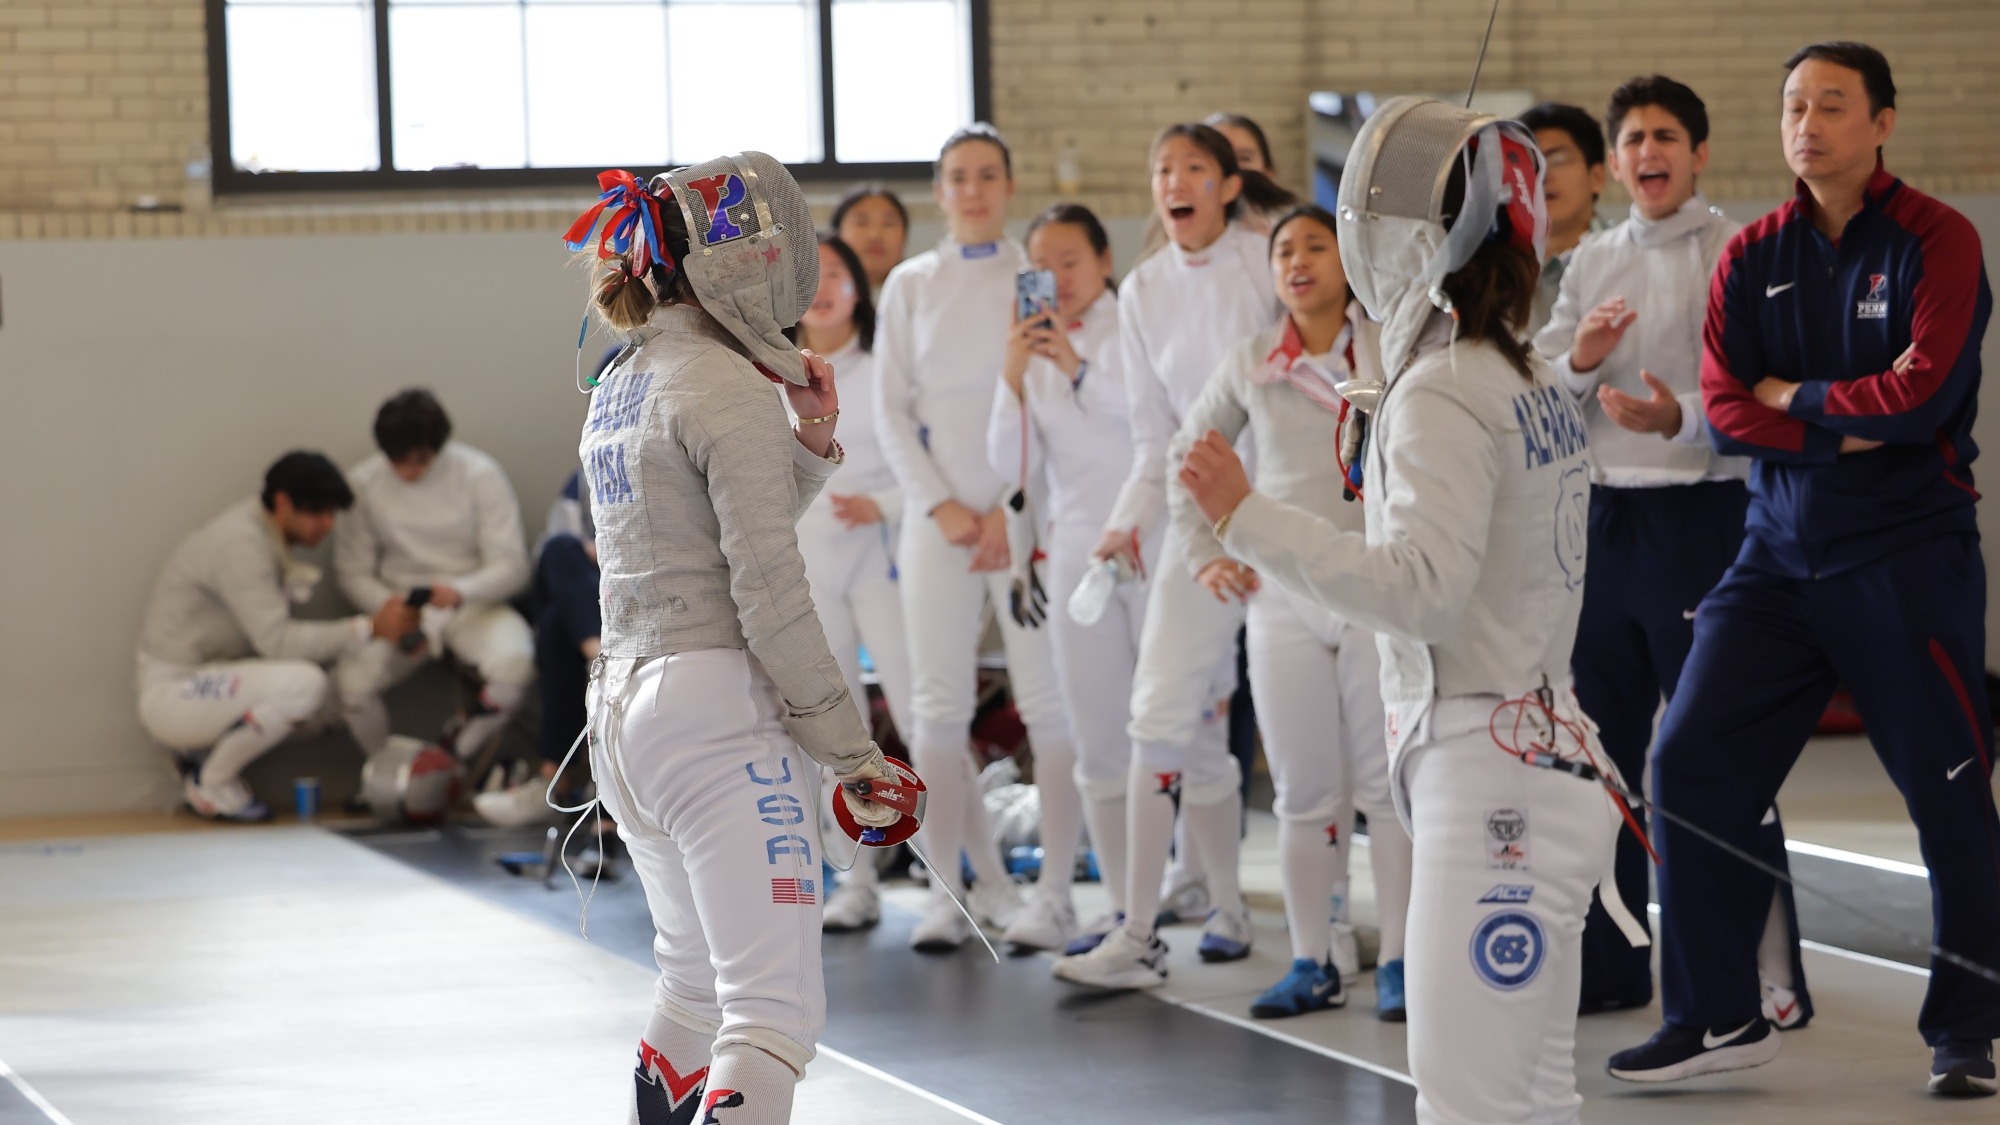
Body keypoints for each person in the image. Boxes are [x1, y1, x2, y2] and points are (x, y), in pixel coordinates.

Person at [1180, 98, 1627, 1123]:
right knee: (1532, 1092)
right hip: (1538, 754)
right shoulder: (1517, 374)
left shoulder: (1446, 389)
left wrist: (1243, 518)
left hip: (1491, 783)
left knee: (1468, 1097)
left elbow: (1418, 591)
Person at [1609, 43, 2000, 1097]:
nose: (1807, 121)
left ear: (1879, 121)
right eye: (1792, 104)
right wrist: (1831, 419)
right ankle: (1716, 1012)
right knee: (1685, 763)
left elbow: (1921, 399)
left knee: (1948, 795)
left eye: (1831, 104)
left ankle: (1964, 1027)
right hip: (1772, 558)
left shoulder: (1938, 240)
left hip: (1905, 556)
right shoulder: (1752, 254)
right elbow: (1727, 409)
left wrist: (1799, 400)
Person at [565, 154, 908, 1125]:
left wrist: (807, 443)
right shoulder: (721, 382)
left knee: (694, 985)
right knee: (772, 1012)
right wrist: (852, 753)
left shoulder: (626, 378)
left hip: (628, 717)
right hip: (713, 716)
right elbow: (767, 595)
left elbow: (711, 529)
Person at [1534, 75, 1813, 1024]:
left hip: (1707, 521)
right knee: (1600, 756)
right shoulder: (1590, 262)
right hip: (1603, 531)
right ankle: (1613, 964)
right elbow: (1540, 393)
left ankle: (1768, 977)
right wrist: (1580, 359)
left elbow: (1769, 390)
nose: (1647, 152)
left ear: (1697, 151)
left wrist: (1674, 417)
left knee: (1717, 756)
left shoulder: (1739, 250)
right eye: (1632, 140)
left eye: (1665, 136)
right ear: (1615, 164)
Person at [1051, 122, 1292, 988]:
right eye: (1162, 169)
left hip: (1290, 521)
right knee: (1161, 718)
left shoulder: (1273, 259)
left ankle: (1296, 933)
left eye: (1195, 167)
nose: (1175, 182)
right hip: (1198, 533)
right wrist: (1126, 523)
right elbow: (1155, 437)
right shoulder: (1145, 289)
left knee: (1305, 750)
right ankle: (1141, 931)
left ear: (1230, 184)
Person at [1166, 204, 1414, 1021]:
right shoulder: (1251, 361)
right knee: (1306, 794)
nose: (1299, 260)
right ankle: (1314, 961)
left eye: (1317, 246)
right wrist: (1208, 552)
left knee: (1387, 791)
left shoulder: (1387, 346)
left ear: (1349, 265)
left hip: (1372, 590)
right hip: (1282, 600)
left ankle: (1403, 964)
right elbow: (1188, 458)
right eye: (1284, 250)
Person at [874, 123, 1071, 951]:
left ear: (1009, 186)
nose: (975, 189)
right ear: (941, 191)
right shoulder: (912, 286)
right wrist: (949, 509)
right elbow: (890, 410)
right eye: (960, 176)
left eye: (989, 174)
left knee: (1049, 705)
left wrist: (1007, 511)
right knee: (935, 708)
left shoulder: (1035, 277)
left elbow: (1051, 395)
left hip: (1022, 521)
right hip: (938, 523)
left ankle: (1055, 894)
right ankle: (944, 887)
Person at [984, 203, 1130, 953]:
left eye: (1071, 259)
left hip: (1151, 537)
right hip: (1074, 551)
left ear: (1104, 261)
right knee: (1092, 730)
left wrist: (1076, 367)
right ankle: (1117, 904)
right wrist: (1014, 376)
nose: (1058, 277)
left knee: (1172, 728)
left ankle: (1205, 889)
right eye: (1042, 263)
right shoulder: (1031, 350)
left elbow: (1144, 426)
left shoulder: (1132, 323)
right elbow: (1008, 464)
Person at [138, 452, 418, 821]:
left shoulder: (261, 535)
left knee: (341, 687)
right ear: (283, 503)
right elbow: (277, 642)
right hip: (176, 693)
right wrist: (368, 628)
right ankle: (211, 783)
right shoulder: (241, 545)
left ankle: (378, 780)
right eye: (318, 513)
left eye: (332, 514)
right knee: (305, 684)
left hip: (208, 680)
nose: (328, 525)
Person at [784, 233, 916, 933]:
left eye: (840, 274)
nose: (827, 287)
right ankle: (855, 882)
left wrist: (883, 506)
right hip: (812, 569)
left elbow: (920, 462)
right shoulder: (772, 370)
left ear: (861, 288)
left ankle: (967, 881)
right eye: (816, 274)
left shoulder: (885, 365)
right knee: (841, 727)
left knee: (925, 717)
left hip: (884, 559)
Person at [334, 389, 534, 764]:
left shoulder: (480, 474)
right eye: (398, 461)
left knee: (516, 662)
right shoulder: (362, 484)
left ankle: (450, 759)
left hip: (473, 602)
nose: (409, 471)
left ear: (439, 448)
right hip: (401, 607)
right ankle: (386, 772)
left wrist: (461, 590)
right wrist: (387, 607)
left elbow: (512, 566)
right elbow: (352, 572)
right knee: (350, 685)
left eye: (420, 461)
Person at [473, 462, 602, 828]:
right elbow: (564, 549)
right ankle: (599, 657)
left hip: (633, 594)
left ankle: (553, 781)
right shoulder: (583, 476)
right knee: (559, 549)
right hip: (588, 596)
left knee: (556, 624)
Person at [1517, 103, 1608, 333]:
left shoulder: (1624, 258)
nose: (1543, 176)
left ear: (1596, 177)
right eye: (1530, 163)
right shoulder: (1497, 273)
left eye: (1557, 160)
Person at [831, 183, 910, 297]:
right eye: (861, 223)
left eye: (888, 224)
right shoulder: (815, 297)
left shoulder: (920, 294)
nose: (875, 235)